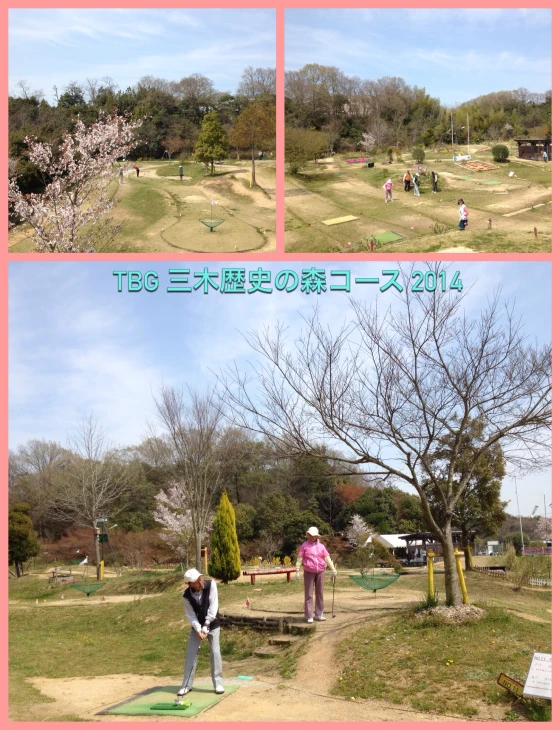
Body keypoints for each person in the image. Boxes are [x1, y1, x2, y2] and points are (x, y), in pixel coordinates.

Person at [177, 568, 224, 698]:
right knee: (190, 654)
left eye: (200, 578)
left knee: (215, 653)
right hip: (197, 628)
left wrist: (206, 625)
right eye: (197, 580)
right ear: (190, 584)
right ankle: (186, 685)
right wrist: (198, 629)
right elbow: (191, 616)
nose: (201, 581)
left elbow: (213, 607)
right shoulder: (186, 596)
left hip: (212, 625)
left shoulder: (211, 585)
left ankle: (218, 684)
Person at [296, 527, 336, 623]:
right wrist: (297, 570)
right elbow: (300, 558)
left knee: (320, 593)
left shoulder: (321, 546)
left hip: (320, 571)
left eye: (313, 535)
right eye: (309, 535)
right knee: (308, 594)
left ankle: (319, 614)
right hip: (308, 571)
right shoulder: (304, 546)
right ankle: (309, 615)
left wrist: (333, 568)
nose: (311, 536)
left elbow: (327, 558)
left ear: (316, 536)